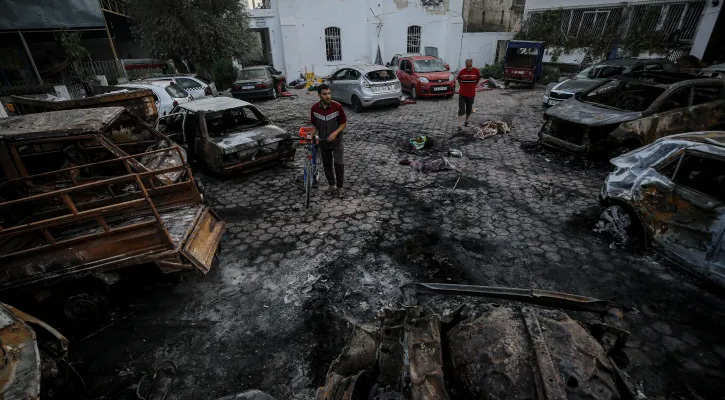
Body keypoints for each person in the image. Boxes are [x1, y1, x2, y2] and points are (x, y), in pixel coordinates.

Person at [310, 84, 347, 197]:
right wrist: (311, 136)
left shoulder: (337, 106)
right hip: (323, 141)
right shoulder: (314, 108)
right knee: (327, 165)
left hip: (336, 141)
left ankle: (340, 187)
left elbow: (343, 123)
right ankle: (332, 185)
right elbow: (315, 125)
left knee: (338, 164)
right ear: (319, 95)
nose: (328, 96)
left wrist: (335, 134)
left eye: (329, 93)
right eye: (324, 94)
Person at [456, 59, 481, 130]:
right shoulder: (462, 71)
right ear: (465, 65)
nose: (468, 68)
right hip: (462, 94)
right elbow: (458, 79)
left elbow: (478, 79)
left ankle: (466, 121)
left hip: (471, 94)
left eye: (470, 66)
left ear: (472, 65)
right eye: (467, 66)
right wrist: (461, 86)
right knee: (461, 109)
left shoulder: (476, 71)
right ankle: (459, 125)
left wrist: (474, 85)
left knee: (469, 109)